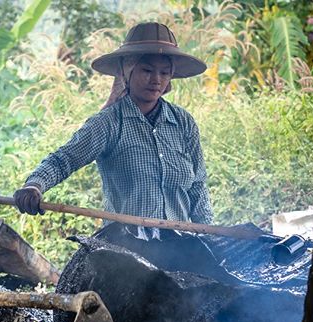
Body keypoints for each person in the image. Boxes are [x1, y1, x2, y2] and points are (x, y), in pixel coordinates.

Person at [13, 22, 213, 226]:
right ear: (128, 71)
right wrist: (35, 186)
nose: (156, 80)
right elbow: (64, 159)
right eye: (147, 70)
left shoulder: (183, 123)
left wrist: (210, 236)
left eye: (164, 73)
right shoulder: (109, 123)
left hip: (179, 245)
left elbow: (197, 186)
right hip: (124, 245)